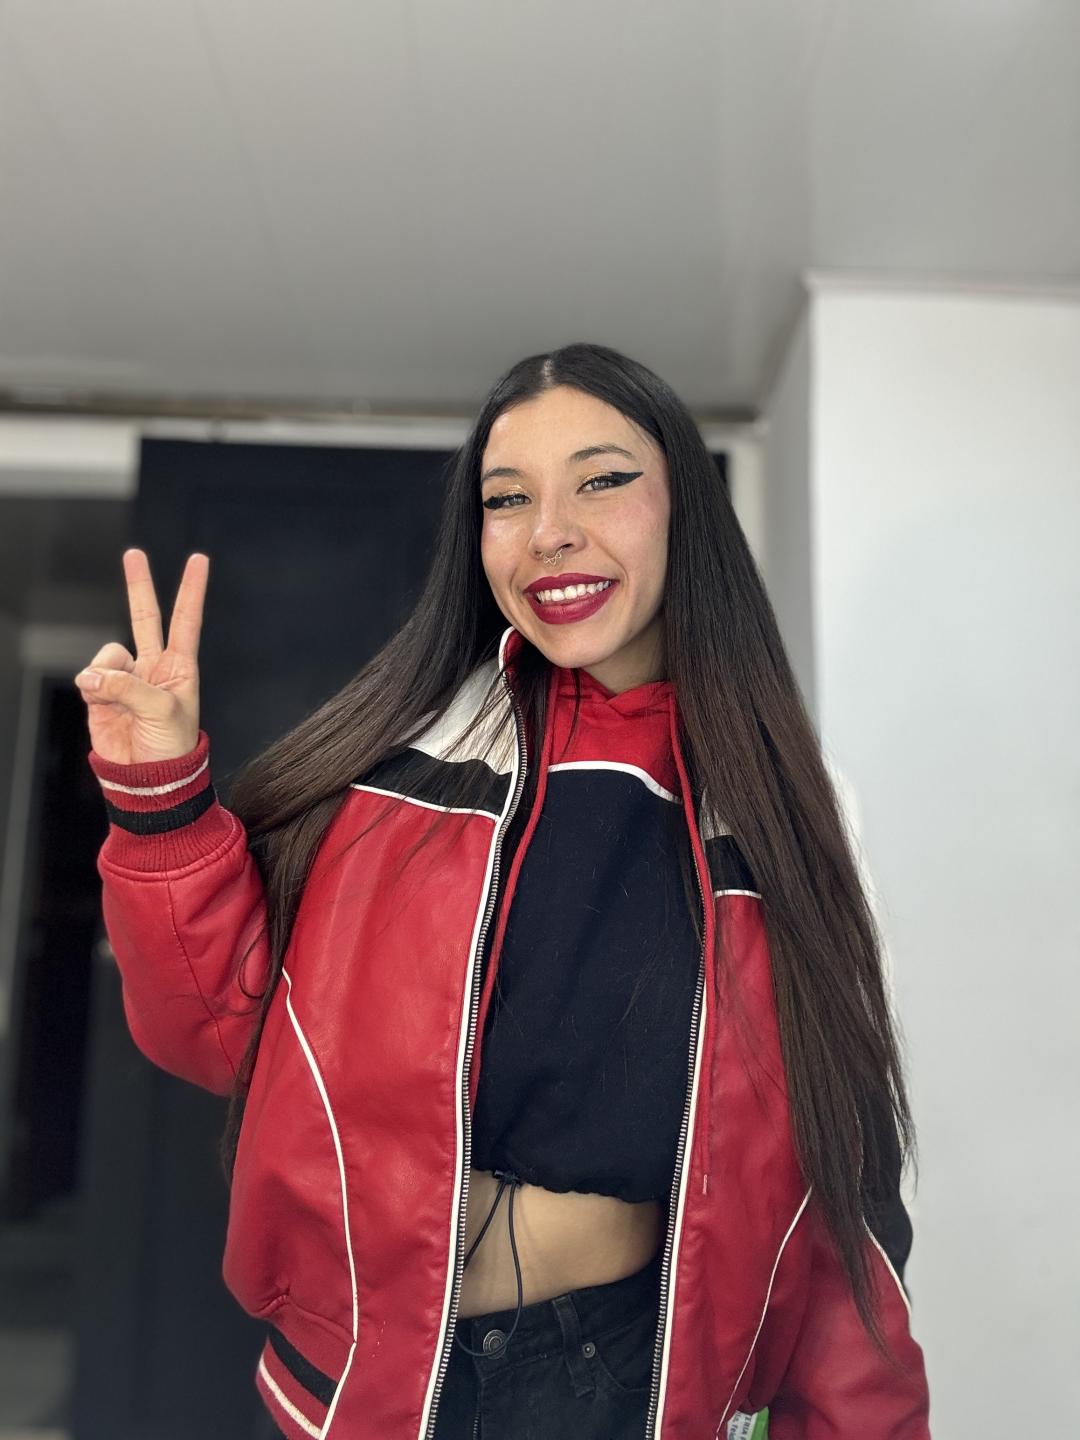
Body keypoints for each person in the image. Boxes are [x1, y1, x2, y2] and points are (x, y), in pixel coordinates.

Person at [76, 343, 931, 1440]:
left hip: (619, 1386)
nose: (549, 531)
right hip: (364, 1385)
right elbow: (219, 1030)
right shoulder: (401, 764)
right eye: (508, 497)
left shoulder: (786, 810)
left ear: (686, 508)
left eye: (603, 480)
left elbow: (845, 1190)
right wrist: (158, 798)